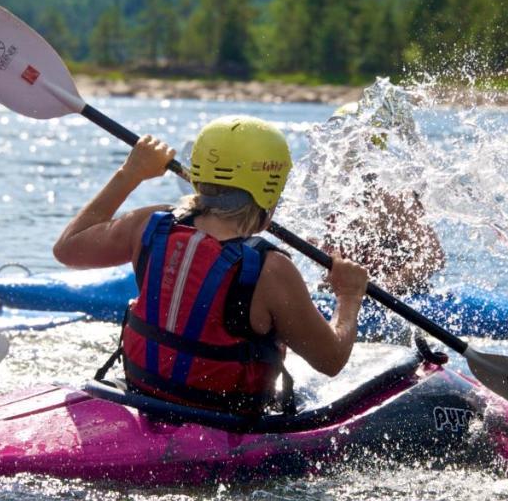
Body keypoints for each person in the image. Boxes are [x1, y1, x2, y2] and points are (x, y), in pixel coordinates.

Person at [51, 115, 369, 415]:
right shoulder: (272, 269)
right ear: (271, 189)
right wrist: (349, 296)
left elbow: (68, 249)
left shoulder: (150, 224)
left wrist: (130, 174)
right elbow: (331, 360)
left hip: (142, 393)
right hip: (221, 420)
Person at [320, 101, 446, 295]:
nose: (340, 149)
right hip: (350, 297)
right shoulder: (332, 194)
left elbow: (433, 257)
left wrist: (379, 288)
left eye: (348, 142)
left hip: (401, 301)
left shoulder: (393, 195)